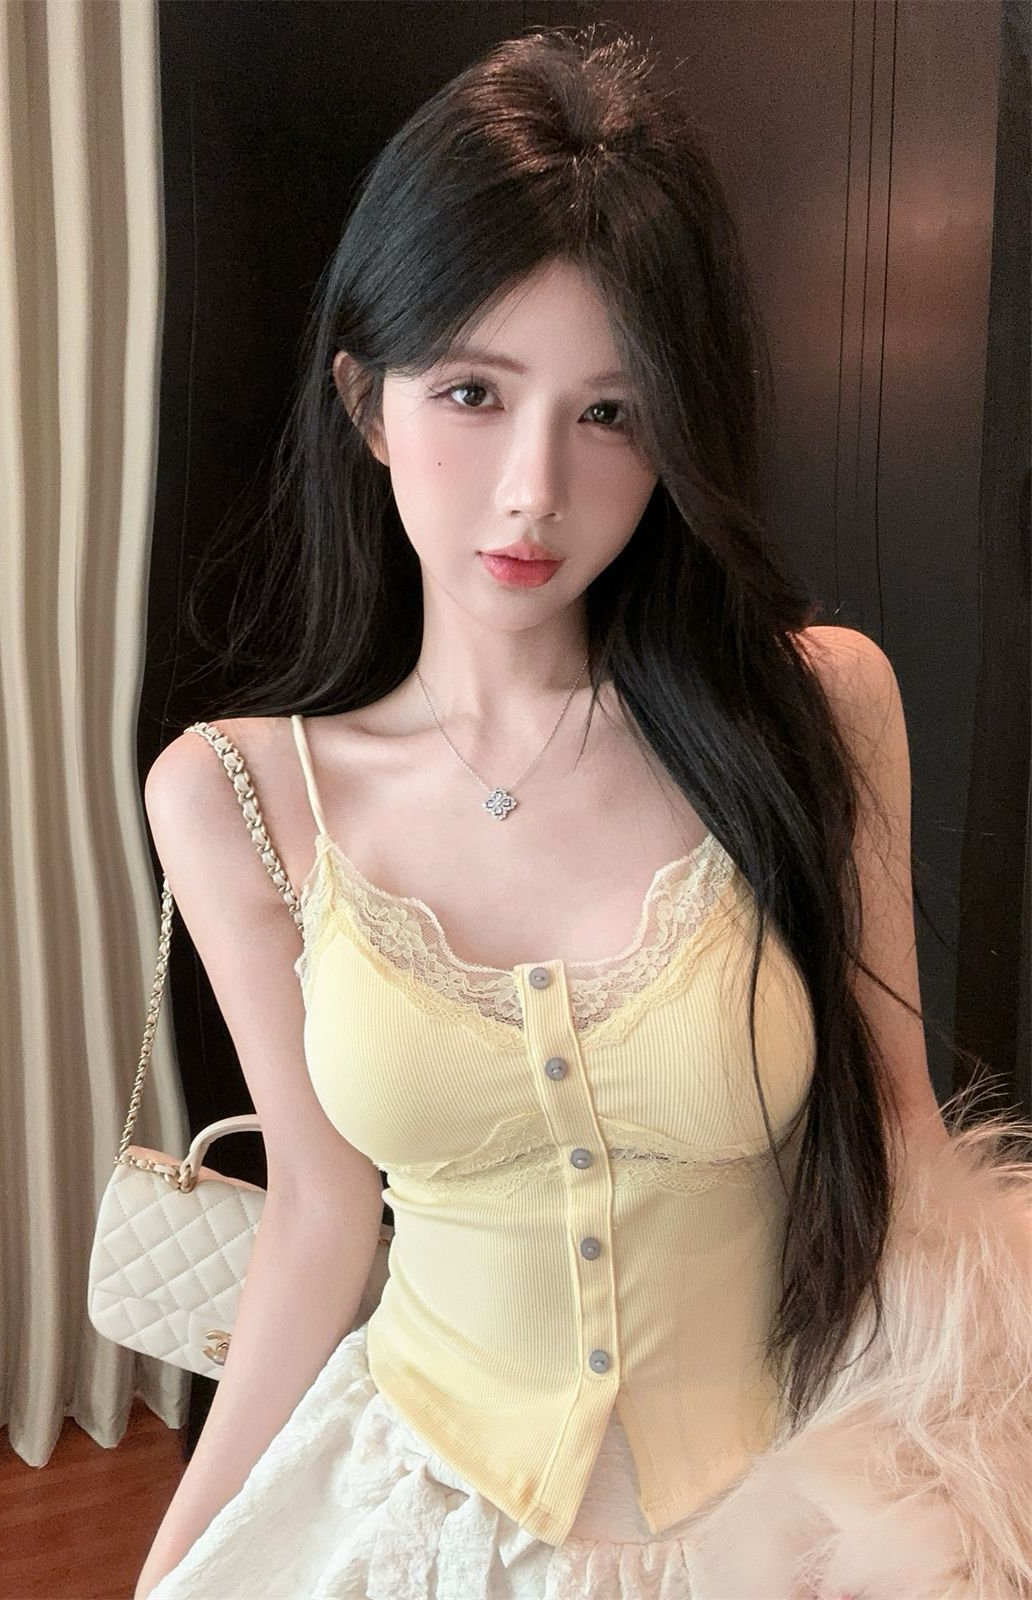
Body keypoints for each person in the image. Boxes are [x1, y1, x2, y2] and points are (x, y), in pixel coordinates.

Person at [132, 24, 1032, 1600]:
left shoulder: (819, 711)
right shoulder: (237, 795)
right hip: (416, 1515)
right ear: (367, 401)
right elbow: (322, 1222)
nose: (534, 490)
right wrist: (177, 1560)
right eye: (473, 392)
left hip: (780, 1527)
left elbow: (903, 1155)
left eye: (611, 413)